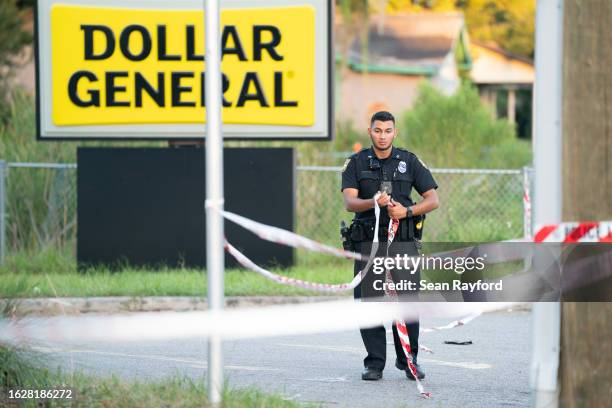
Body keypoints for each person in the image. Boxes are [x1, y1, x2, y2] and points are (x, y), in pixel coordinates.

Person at [341, 111, 439, 381]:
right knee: (369, 302)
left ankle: (409, 360)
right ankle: (374, 363)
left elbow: (432, 199)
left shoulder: (409, 161)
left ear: (395, 132)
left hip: (403, 240)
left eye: (387, 130)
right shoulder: (356, 162)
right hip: (368, 241)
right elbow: (349, 202)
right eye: (377, 130)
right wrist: (373, 202)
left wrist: (407, 212)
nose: (382, 135)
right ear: (369, 131)